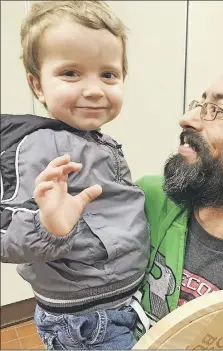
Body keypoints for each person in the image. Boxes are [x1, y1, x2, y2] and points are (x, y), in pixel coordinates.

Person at [31, 57, 223, 349]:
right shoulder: (141, 201)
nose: (187, 119)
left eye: (218, 111)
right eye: (200, 104)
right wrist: (50, 228)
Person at [0, 1, 149, 350]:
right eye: (70, 73)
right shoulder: (38, 147)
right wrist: (49, 226)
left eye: (108, 74)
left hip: (117, 300)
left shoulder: (97, 139)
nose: (95, 89)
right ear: (37, 86)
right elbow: (6, 236)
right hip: (88, 317)